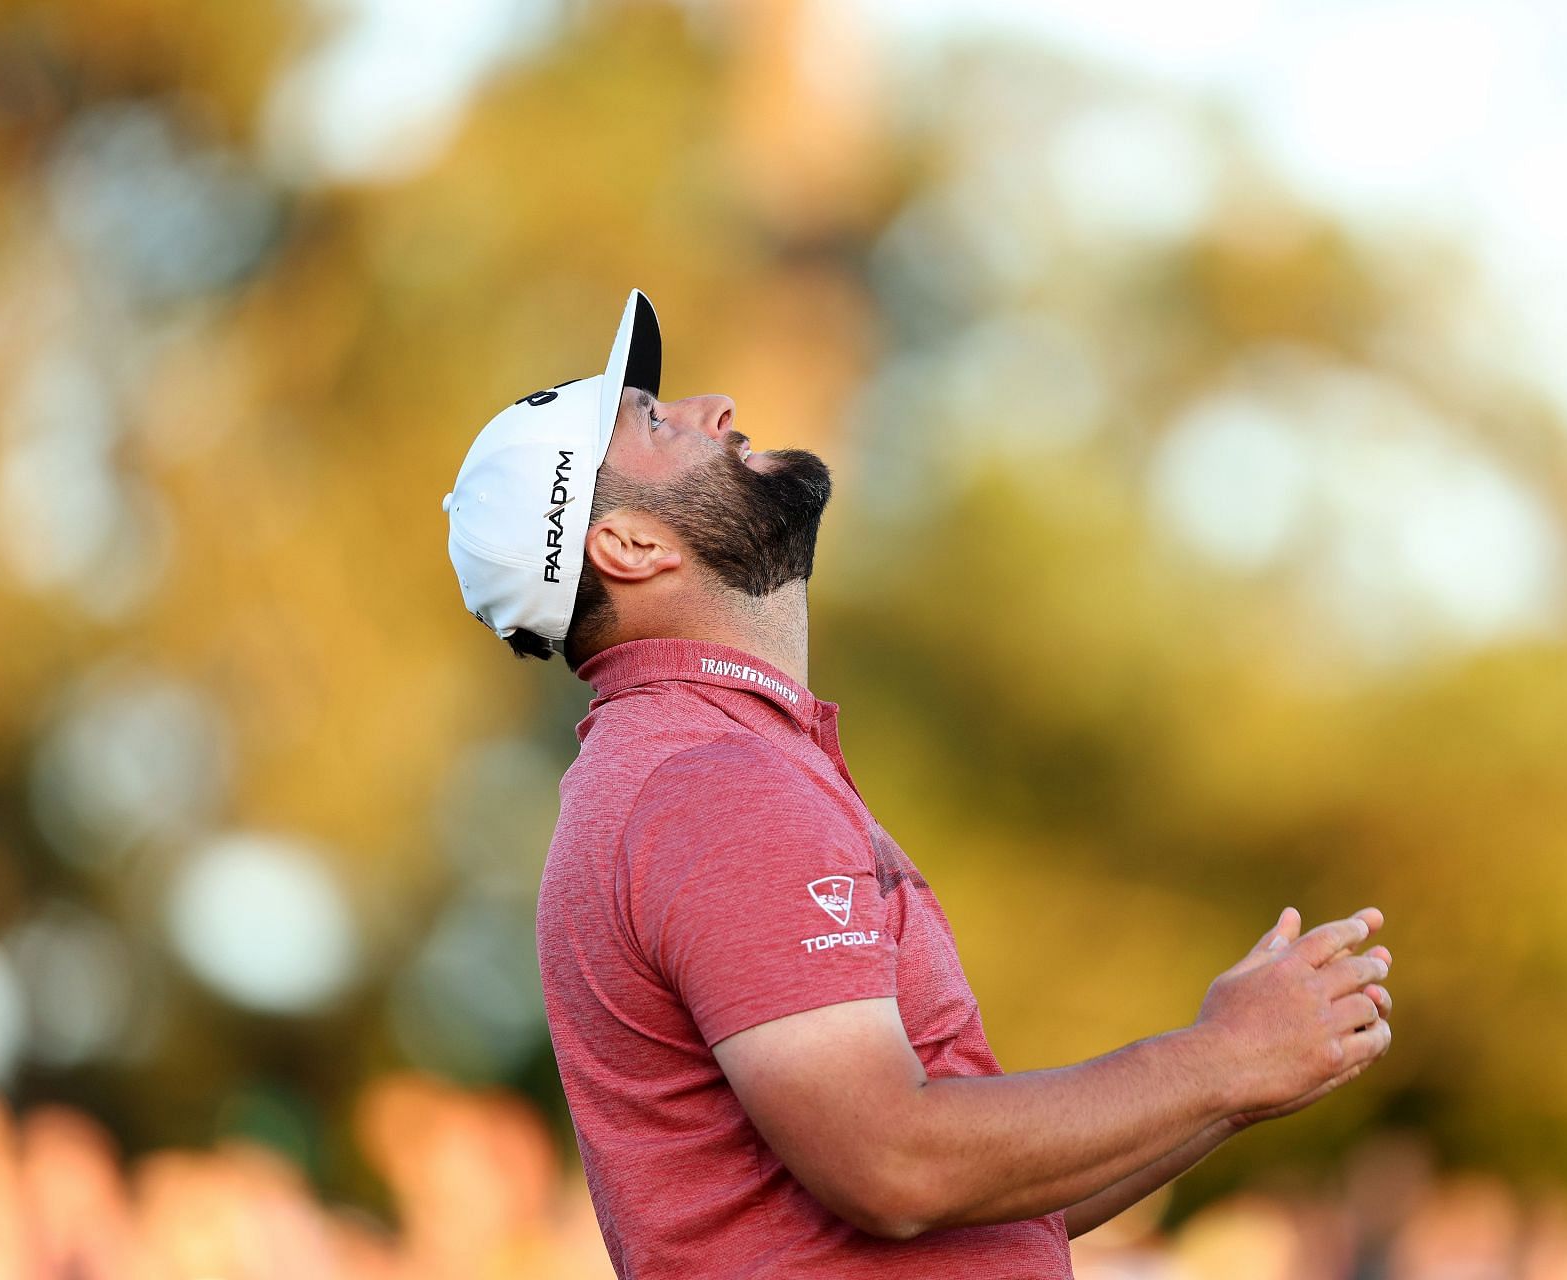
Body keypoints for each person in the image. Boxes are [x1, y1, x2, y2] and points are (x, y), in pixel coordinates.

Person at [442, 290, 1395, 1278]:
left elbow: (981, 1204)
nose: (713, 405)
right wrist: (1216, 1060)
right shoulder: (710, 783)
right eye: (654, 422)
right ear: (630, 546)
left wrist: (1231, 1074)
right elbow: (892, 1163)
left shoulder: (704, 761)